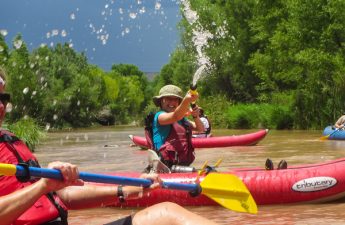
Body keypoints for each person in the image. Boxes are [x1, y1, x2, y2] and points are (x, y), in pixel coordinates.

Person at [0, 67, 218, 225]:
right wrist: (42, 186)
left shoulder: (12, 141)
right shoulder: (163, 116)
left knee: (167, 214)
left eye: (3, 97)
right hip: (169, 165)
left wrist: (124, 190)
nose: (1, 104)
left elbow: (61, 197)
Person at [145, 84, 204, 169]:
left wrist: (196, 116)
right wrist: (187, 100)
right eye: (168, 99)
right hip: (163, 167)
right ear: (161, 101)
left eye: (175, 99)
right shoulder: (160, 116)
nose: (172, 102)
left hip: (182, 166)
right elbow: (175, 116)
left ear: (179, 102)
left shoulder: (182, 119)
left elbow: (200, 129)